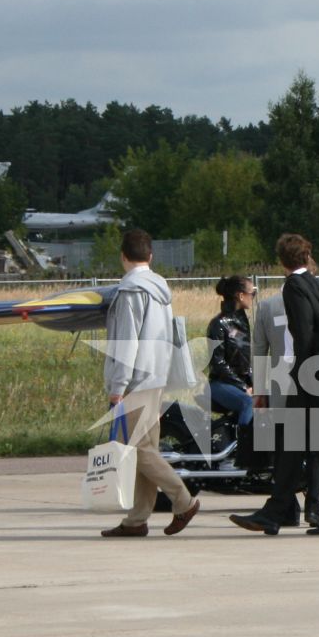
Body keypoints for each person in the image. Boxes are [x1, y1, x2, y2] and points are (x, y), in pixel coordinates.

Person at [231, 234, 319, 536]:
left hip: (309, 376)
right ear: (306, 256)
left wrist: (300, 375)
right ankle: (290, 513)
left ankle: (286, 513)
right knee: (312, 446)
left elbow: (303, 332)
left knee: (300, 442)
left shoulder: (293, 288)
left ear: (282, 262)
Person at [100, 228, 199, 538]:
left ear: (123, 256)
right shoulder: (161, 289)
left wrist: (118, 387)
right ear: (151, 256)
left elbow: (125, 342)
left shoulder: (130, 292)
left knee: (139, 450)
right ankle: (137, 519)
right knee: (146, 448)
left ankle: (183, 501)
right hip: (156, 376)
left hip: (136, 381)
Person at [250, 283, 319, 527]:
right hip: (316, 380)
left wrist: (259, 390)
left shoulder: (267, 306)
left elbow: (260, 351)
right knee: (317, 447)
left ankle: (288, 507)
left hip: (282, 383)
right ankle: (313, 505)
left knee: (284, 449)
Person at [204, 274, 256, 451]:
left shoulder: (242, 322)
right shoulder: (218, 325)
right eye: (252, 293)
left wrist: (254, 383)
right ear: (241, 296)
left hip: (237, 382)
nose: (253, 297)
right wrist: (243, 387)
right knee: (248, 402)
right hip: (219, 383)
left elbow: (245, 360)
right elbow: (217, 362)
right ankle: (244, 449)